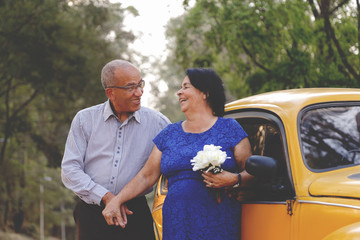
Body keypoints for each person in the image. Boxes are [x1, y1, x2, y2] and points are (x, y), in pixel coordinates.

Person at [102, 68, 253, 239]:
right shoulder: (169, 133)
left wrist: (235, 179)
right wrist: (117, 200)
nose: (179, 92)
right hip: (177, 221)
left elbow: (253, 173)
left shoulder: (230, 129)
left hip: (218, 219)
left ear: (205, 93)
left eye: (186, 87)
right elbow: (146, 176)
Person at [61, 59, 170, 240]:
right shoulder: (84, 119)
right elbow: (70, 170)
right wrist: (106, 197)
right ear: (110, 92)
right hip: (91, 212)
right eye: (131, 87)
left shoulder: (158, 123)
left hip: (135, 213)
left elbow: (177, 160)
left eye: (140, 84)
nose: (139, 92)